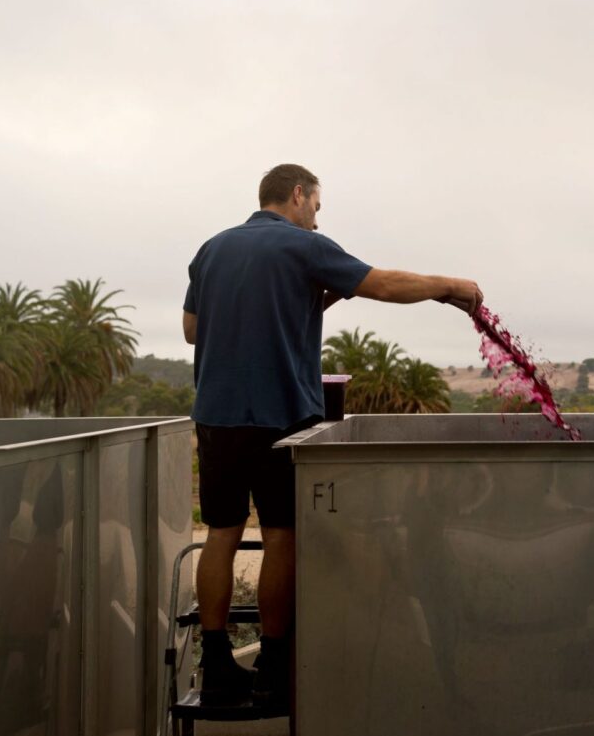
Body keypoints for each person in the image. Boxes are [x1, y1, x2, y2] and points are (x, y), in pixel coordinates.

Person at [182, 163, 482, 715]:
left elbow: (193, 331)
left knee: (221, 535)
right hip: (280, 417)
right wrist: (450, 287)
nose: (316, 219)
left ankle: (217, 664)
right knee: (280, 538)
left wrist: (308, 302)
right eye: (316, 207)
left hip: (216, 417)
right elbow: (384, 284)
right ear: (298, 195)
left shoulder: (212, 249)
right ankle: (273, 664)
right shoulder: (304, 247)